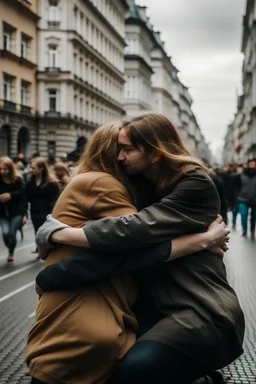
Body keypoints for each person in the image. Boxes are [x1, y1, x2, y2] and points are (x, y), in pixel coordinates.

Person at [37, 114, 245, 384]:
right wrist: (199, 242)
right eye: (118, 150)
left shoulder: (194, 183)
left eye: (127, 149)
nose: (120, 157)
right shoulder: (144, 184)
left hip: (198, 309)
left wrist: (61, 234)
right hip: (155, 309)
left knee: (134, 371)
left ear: (155, 152)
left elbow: (134, 232)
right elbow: (134, 244)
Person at [26, 157, 59, 252]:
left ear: (41, 169)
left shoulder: (51, 183)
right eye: (30, 167)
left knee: (46, 231)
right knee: (37, 230)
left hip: (47, 212)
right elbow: (26, 197)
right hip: (34, 211)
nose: (30, 170)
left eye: (33, 168)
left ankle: (45, 248)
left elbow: (54, 199)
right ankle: (39, 247)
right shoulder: (30, 182)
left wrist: (51, 213)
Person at [0, 157, 27, 262]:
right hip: (2, 212)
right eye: (0, 169)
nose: (2, 172)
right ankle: (10, 248)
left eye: (5, 169)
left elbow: (22, 195)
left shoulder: (17, 180)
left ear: (10, 169)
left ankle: (11, 252)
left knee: (12, 233)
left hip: (17, 212)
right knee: (5, 233)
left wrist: (10, 195)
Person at [236, 158, 256, 239]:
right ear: (248, 165)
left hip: (255, 200)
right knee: (243, 215)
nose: (253, 166)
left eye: (254, 165)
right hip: (243, 199)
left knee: (254, 217)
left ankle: (252, 231)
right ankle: (244, 229)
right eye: (251, 164)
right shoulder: (241, 175)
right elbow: (236, 187)